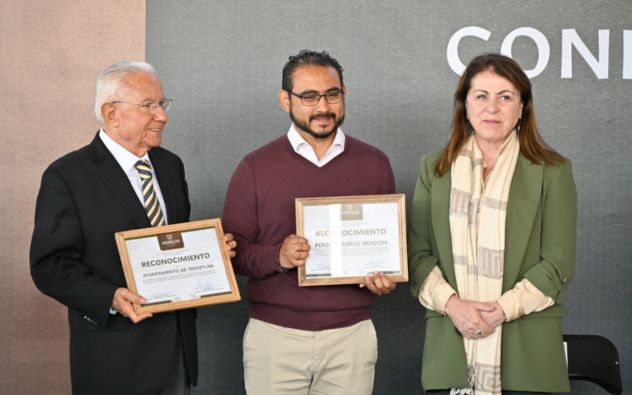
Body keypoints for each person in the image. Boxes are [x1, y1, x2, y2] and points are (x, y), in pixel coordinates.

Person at [30, 61, 236, 395]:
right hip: (112, 358)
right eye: (149, 105)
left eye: (162, 103)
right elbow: (49, 266)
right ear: (112, 113)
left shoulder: (171, 166)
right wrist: (108, 297)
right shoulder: (67, 175)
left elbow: (171, 245)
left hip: (176, 353)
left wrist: (211, 254)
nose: (163, 115)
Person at [222, 49, 396, 395]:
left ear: (344, 94)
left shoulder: (375, 164)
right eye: (308, 96)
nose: (323, 107)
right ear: (285, 100)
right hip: (275, 336)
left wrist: (384, 278)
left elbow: (387, 253)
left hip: (351, 335)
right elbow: (232, 254)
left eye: (332, 94)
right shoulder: (255, 166)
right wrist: (279, 257)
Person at [408, 53, 577, 395]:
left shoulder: (552, 171)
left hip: (529, 356)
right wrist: (454, 307)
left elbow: (558, 263)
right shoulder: (434, 170)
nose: (492, 107)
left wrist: (498, 312)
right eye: (481, 96)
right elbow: (417, 254)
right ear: (465, 106)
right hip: (450, 351)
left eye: (505, 97)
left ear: (522, 107)